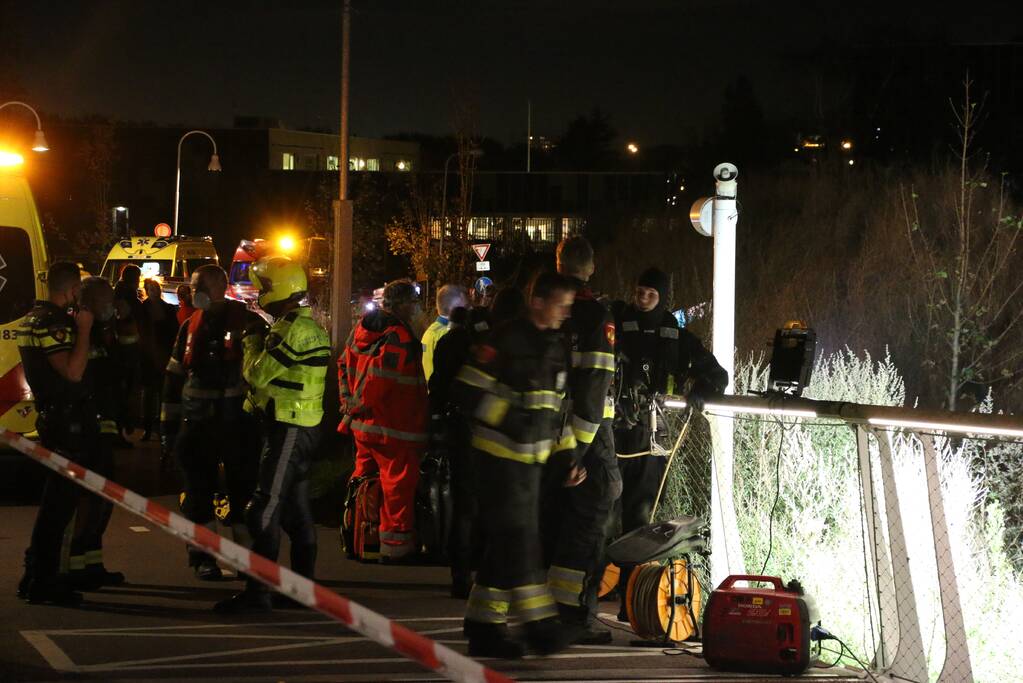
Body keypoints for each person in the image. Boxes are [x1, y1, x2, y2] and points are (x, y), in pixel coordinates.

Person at [455, 271, 581, 658]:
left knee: (505, 545)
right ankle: (541, 628)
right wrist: (515, 423)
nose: (565, 313)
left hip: (531, 466)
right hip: (499, 462)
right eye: (561, 305)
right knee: (521, 543)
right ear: (538, 302)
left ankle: (484, 627)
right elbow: (467, 390)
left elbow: (555, 410)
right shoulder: (505, 339)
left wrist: (568, 458)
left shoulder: (555, 346)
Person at [215, 257, 331, 613]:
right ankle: (302, 592)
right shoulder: (306, 325)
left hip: (289, 429)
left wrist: (250, 341)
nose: (262, 293)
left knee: (261, 512)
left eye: (265, 287)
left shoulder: (289, 329)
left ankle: (258, 593)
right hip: (302, 427)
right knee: (296, 513)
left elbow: (257, 375)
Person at [611, 267, 727, 619]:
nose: (642, 298)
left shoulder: (674, 335)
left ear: (662, 298)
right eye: (639, 291)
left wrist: (699, 392)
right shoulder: (616, 323)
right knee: (604, 516)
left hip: (651, 440)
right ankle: (602, 587)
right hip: (614, 435)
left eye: (650, 294)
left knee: (639, 519)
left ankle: (629, 598)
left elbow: (716, 373)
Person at [161, 265, 265, 580]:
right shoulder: (189, 326)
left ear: (220, 285)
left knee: (242, 493)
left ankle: (247, 562)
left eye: (197, 286)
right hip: (197, 425)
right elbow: (173, 380)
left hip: (237, 425)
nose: (193, 292)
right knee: (197, 494)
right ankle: (202, 557)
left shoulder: (248, 323)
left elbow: (260, 375)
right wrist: (168, 431)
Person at [546, 236, 620, 645]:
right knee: (592, 513)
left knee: (558, 519)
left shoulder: (543, 307)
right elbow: (595, 384)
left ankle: (553, 609)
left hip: (543, 432)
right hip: (585, 434)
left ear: (559, 263)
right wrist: (581, 448)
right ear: (590, 267)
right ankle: (575, 616)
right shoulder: (595, 315)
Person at [16, 262, 96, 605]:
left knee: (54, 504)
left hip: (51, 417)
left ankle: (34, 574)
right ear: (74, 289)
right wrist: (85, 330)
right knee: (58, 506)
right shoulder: (55, 324)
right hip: (65, 422)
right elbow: (73, 372)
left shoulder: (31, 318)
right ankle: (43, 581)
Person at [338, 279, 428, 562]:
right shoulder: (399, 337)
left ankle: (358, 538)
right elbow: (379, 381)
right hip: (394, 427)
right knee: (397, 487)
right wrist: (358, 405)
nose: (416, 309)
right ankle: (395, 548)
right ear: (401, 304)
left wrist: (348, 405)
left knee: (363, 479)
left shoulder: (363, 329)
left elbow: (343, 364)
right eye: (413, 303)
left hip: (364, 427)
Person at [66, 277, 126, 591]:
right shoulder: (77, 330)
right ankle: (77, 564)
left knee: (103, 498)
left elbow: (121, 371)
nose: (111, 306)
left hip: (104, 422)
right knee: (88, 498)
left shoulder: (104, 332)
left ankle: (92, 562)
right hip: (85, 426)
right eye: (107, 301)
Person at [138, 279, 178, 441]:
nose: (153, 291)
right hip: (148, 357)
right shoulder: (142, 309)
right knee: (148, 394)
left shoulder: (168, 309)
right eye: (150, 289)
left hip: (164, 356)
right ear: (146, 291)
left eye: (155, 288)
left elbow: (174, 332)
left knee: (163, 393)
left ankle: (162, 428)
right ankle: (147, 428)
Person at [113, 264, 143, 443]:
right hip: (129, 352)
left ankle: (121, 427)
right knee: (129, 391)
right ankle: (126, 424)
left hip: (119, 351)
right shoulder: (130, 297)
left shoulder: (115, 293)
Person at [421, 284, 467, 382]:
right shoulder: (448, 334)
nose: (467, 310)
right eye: (463, 307)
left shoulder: (430, 331)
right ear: (453, 308)